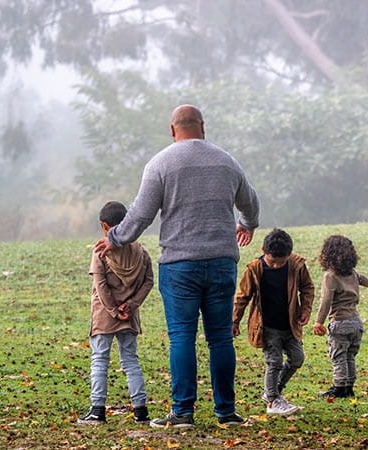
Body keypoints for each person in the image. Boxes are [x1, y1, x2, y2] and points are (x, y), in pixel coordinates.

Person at [94, 104, 259, 428]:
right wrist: (248, 223)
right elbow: (250, 201)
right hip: (222, 260)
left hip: (180, 264)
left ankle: (183, 412)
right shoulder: (226, 161)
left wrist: (115, 237)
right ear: (203, 126)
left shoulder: (160, 163)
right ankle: (226, 412)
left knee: (182, 336)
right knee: (220, 338)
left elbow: (141, 214)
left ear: (173, 131)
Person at [78, 201, 154, 425]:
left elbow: (100, 285)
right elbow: (148, 282)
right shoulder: (141, 251)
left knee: (100, 359)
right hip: (129, 317)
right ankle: (140, 410)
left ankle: (97, 410)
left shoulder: (101, 251)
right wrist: (131, 306)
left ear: (104, 226)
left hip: (104, 316)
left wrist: (112, 310)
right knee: (130, 360)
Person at [233, 228, 314, 415]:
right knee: (274, 361)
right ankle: (272, 401)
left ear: (289, 255)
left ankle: (274, 392)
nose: (277, 266)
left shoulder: (297, 265)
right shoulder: (254, 269)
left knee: (297, 359)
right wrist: (234, 321)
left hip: (290, 325)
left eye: (282, 262)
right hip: (267, 326)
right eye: (272, 261)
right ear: (263, 250)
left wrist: (305, 309)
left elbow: (307, 288)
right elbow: (242, 297)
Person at [313, 235, 368, 398]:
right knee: (350, 355)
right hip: (356, 322)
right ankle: (349, 386)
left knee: (338, 356)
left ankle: (339, 387)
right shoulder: (352, 273)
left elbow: (326, 301)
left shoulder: (330, 276)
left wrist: (318, 322)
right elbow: (362, 278)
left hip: (340, 322)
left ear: (327, 255)